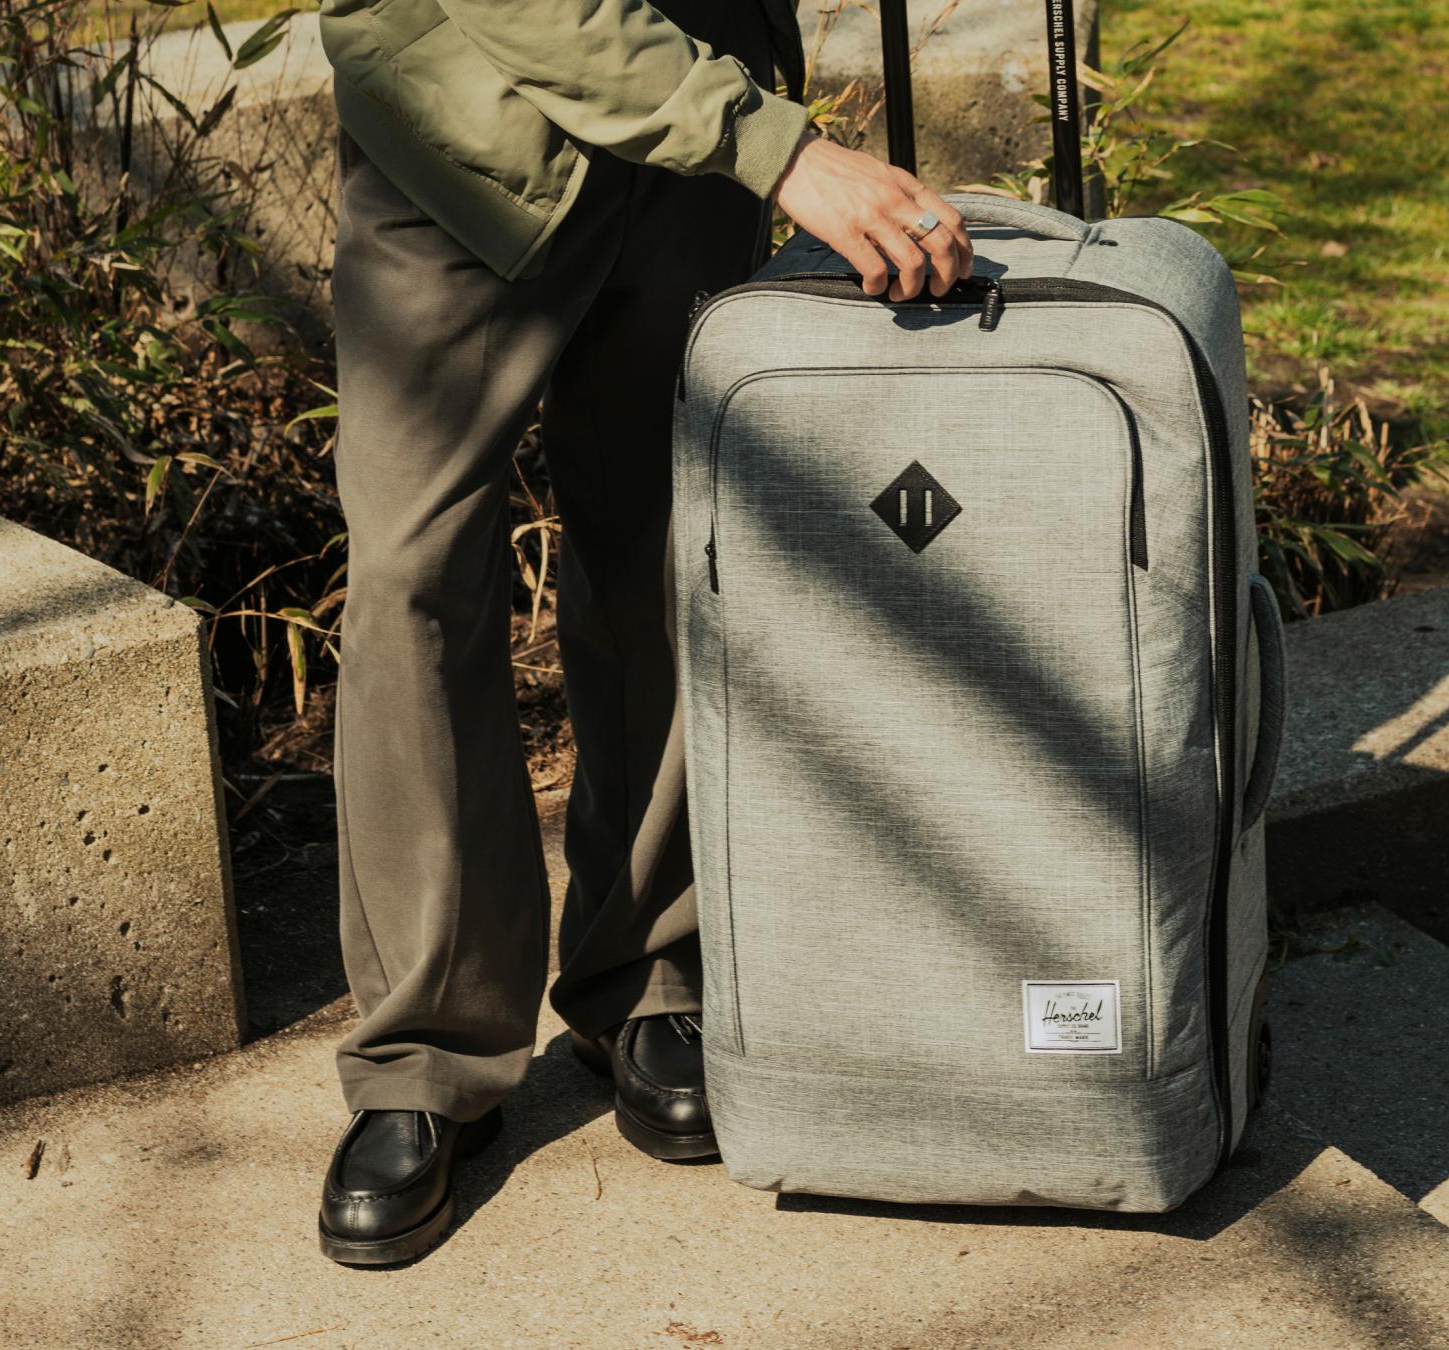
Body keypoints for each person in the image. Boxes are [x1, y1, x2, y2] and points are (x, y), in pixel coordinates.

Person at [311, 0, 975, 1264]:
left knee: (667, 550)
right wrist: (778, 147)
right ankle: (426, 1051)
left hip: (690, 137)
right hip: (459, 128)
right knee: (414, 577)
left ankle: (652, 967)